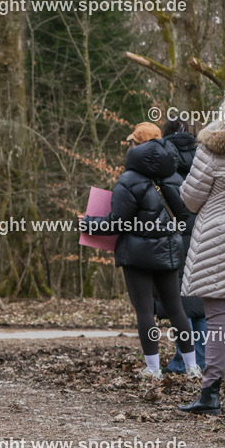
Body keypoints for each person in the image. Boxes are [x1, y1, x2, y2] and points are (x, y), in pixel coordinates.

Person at [81, 122, 200, 381]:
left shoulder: (127, 180)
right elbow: (184, 214)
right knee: (177, 309)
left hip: (137, 255)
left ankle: (154, 369)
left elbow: (116, 223)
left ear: (136, 146)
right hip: (169, 251)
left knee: (145, 311)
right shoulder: (175, 176)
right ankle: (192, 367)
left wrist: (87, 223)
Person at [178, 87, 225, 413]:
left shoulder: (213, 145)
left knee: (218, 319)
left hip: (219, 242)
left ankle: (211, 394)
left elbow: (189, 198)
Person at [156, 119, 205, 374]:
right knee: (202, 304)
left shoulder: (161, 163)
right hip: (206, 233)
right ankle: (201, 360)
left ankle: (182, 361)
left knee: (179, 303)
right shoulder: (205, 156)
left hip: (174, 236)